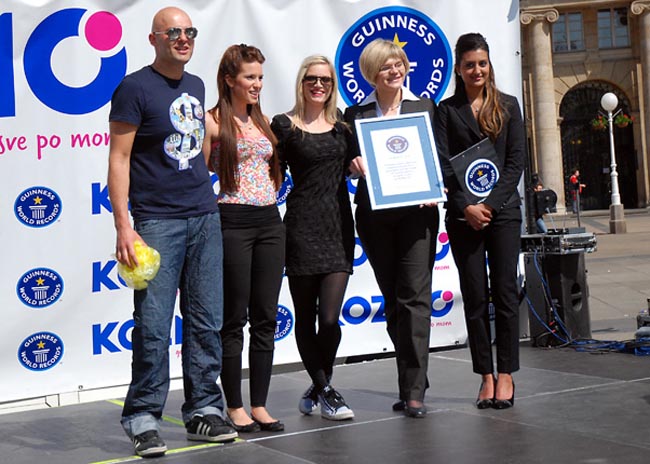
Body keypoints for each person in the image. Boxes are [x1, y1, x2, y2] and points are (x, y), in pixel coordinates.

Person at [107, 7, 236, 457]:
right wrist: (125, 225)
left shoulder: (197, 85)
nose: (183, 38)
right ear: (154, 39)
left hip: (203, 216)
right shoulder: (133, 88)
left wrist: (198, 185)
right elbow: (119, 159)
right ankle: (142, 416)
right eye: (174, 32)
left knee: (206, 321)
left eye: (189, 32)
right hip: (156, 223)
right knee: (153, 325)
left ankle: (203, 409)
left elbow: (199, 145)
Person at [344, 39, 440, 419]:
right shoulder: (355, 114)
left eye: (399, 63)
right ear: (372, 72)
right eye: (386, 66)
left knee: (415, 298)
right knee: (394, 301)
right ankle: (411, 375)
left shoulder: (425, 108)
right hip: (375, 216)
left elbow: (438, 156)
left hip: (418, 214)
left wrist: (435, 185)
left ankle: (414, 390)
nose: (395, 70)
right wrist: (351, 165)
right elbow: (344, 163)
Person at [434, 32, 525, 410]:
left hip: (503, 214)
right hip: (462, 216)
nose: (477, 70)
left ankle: (506, 374)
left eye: (482, 63)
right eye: (469, 64)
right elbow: (442, 165)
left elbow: (515, 161)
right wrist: (466, 206)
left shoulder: (508, 105)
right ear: (458, 68)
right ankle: (485, 376)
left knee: (504, 293)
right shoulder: (446, 110)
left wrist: (489, 204)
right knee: (474, 295)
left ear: (490, 65)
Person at [204, 44, 285, 433]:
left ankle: (260, 403)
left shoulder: (262, 120)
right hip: (232, 220)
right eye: (250, 77)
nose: (257, 84)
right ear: (229, 80)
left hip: (270, 220)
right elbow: (199, 179)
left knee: (266, 317)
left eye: (260, 77)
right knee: (234, 319)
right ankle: (234, 404)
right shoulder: (212, 121)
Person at [271, 55, 355, 421]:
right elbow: (265, 169)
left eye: (325, 79)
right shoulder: (283, 126)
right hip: (302, 227)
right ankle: (326, 390)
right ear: (301, 82)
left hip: (338, 227)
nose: (318, 85)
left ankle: (321, 384)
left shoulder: (344, 127)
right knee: (305, 317)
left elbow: (361, 166)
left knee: (331, 320)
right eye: (311, 79)